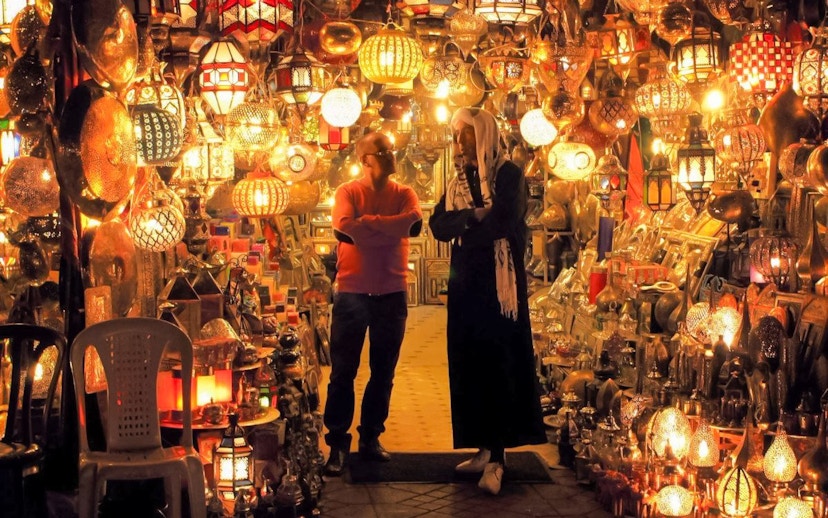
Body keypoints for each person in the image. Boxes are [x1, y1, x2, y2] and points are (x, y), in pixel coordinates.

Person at [429, 107, 546, 495]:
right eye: (456, 134)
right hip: (466, 283)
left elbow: (505, 223)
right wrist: (471, 217)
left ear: (483, 136)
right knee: (469, 360)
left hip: (500, 287)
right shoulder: (458, 178)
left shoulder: (507, 175)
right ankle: (481, 446)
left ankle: (498, 457)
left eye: (465, 134)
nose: (459, 142)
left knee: (499, 362)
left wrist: (469, 225)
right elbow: (437, 225)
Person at [323, 132, 423, 476]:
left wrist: (368, 224)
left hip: (391, 293)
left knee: (383, 373)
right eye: (383, 151)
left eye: (391, 149)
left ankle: (370, 438)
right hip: (352, 292)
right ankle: (337, 444)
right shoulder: (348, 192)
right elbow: (344, 229)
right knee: (343, 373)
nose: (391, 155)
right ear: (366, 159)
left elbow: (413, 223)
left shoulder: (405, 194)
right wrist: (389, 230)